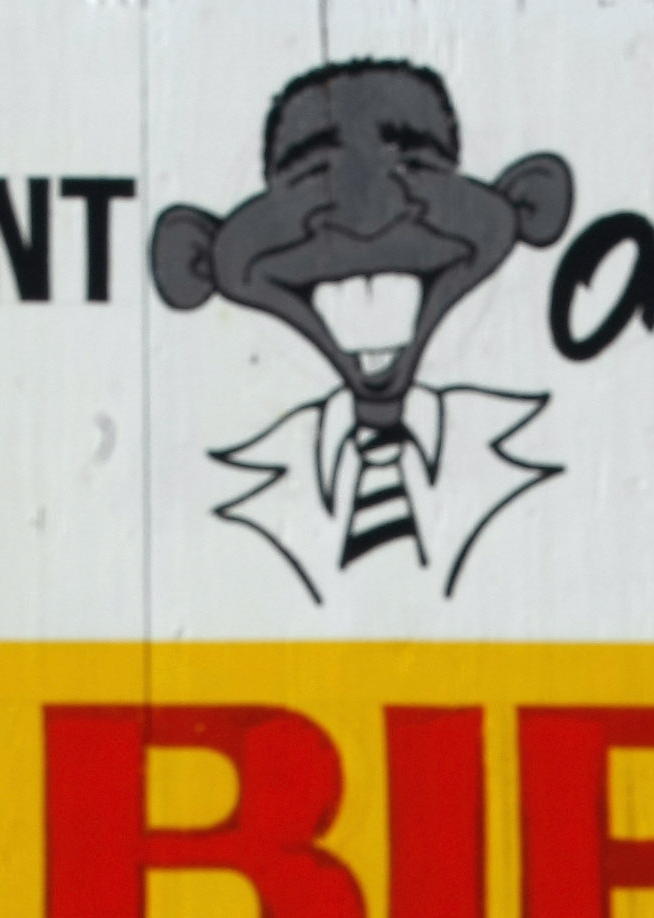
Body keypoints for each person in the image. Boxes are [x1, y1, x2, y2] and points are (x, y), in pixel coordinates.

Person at [151, 58, 575, 602]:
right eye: (313, 175)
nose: (365, 214)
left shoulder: (549, 447)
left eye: (414, 161)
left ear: (529, 202)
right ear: (194, 260)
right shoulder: (211, 483)